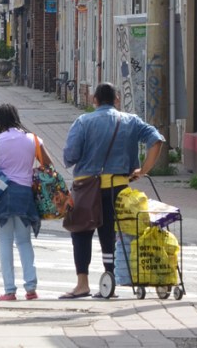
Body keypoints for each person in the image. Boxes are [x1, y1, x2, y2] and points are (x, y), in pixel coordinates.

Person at [59, 82, 165, 299]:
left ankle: (82, 284)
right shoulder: (131, 121)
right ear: (117, 99)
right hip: (118, 187)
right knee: (109, 234)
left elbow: (70, 155)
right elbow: (156, 140)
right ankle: (109, 280)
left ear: (94, 100)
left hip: (87, 187)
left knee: (81, 232)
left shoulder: (83, 121)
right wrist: (143, 170)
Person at [0, 103, 46, 301]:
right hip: (25, 196)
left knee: (5, 242)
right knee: (24, 241)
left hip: (2, 197)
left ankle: (9, 290)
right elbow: (48, 165)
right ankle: (31, 288)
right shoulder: (33, 139)